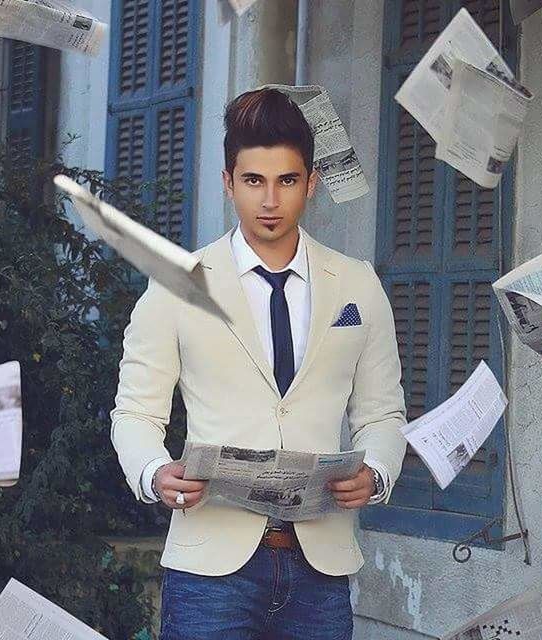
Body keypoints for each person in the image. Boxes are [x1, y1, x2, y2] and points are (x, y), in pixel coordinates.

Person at [111, 88, 407, 640]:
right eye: (253, 181)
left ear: (311, 183)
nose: (269, 200)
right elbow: (134, 412)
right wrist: (155, 472)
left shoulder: (359, 284)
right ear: (228, 182)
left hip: (320, 568)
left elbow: (384, 413)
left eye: (287, 181)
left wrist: (379, 473)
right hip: (209, 575)